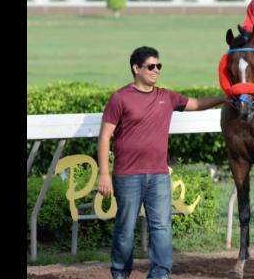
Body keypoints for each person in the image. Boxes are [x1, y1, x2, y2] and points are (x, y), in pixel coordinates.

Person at [97, 46, 226, 279]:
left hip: (159, 175)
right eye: (151, 66)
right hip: (127, 176)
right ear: (136, 69)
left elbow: (195, 103)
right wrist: (104, 173)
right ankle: (119, 273)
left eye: (159, 66)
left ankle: (160, 274)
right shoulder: (120, 98)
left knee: (162, 228)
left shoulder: (166, 96)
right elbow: (105, 135)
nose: (156, 70)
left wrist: (224, 98)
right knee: (125, 231)